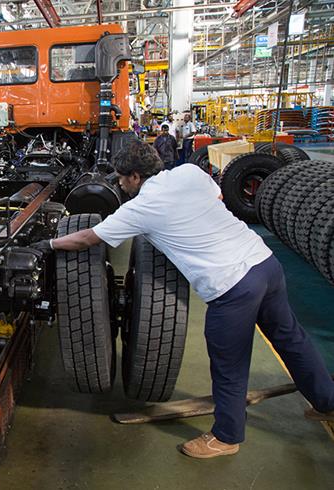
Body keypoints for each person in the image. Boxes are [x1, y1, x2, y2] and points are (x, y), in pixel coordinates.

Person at [33, 141, 334, 459]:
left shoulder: (140, 209)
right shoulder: (189, 172)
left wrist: (49, 244)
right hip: (265, 263)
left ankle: (226, 437)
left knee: (229, 365)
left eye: (122, 178)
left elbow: (87, 237)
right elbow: (217, 196)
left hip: (232, 287)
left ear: (135, 176)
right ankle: (327, 403)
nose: (120, 184)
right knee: (291, 338)